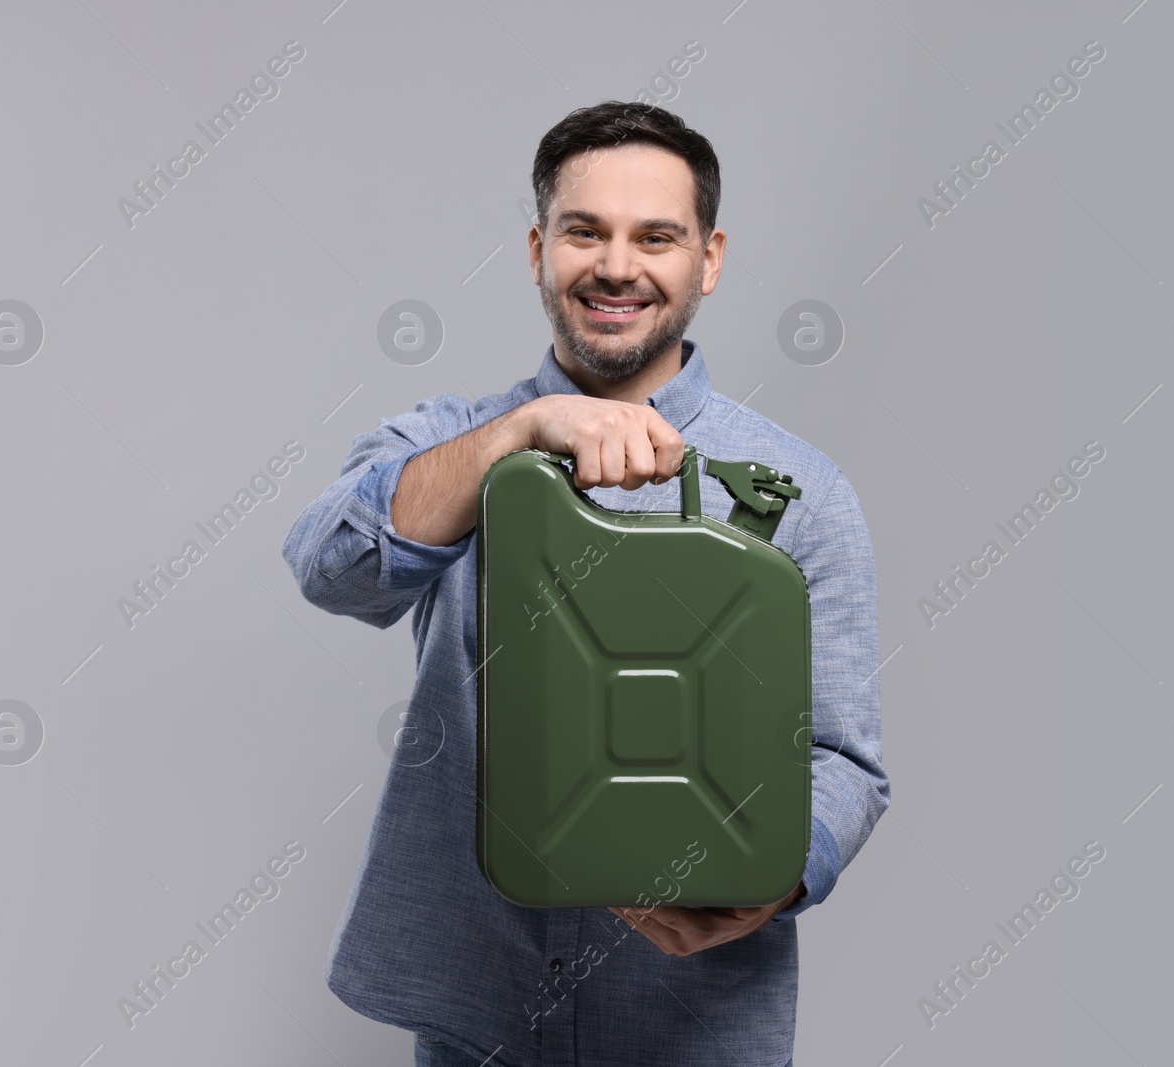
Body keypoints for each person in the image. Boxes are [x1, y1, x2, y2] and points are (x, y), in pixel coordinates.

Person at [282, 100, 889, 1067]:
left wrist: (766, 883)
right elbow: (333, 566)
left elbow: (845, 758)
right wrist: (517, 438)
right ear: (537, 249)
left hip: (694, 1022)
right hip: (477, 1015)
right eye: (584, 232)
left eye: (657, 236)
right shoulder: (454, 440)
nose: (616, 266)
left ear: (710, 258)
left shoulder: (805, 491)